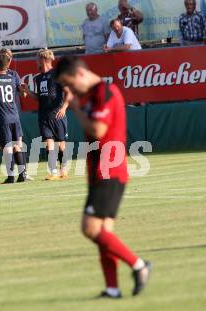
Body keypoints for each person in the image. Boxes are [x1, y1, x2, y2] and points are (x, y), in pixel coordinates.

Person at [54, 55, 151, 299]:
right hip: (101, 172)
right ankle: (112, 288)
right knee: (103, 233)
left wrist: (74, 106)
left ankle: (139, 265)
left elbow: (98, 130)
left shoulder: (104, 92)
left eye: (71, 84)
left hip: (110, 170)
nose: (72, 90)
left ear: (79, 75)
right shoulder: (92, 95)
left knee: (90, 228)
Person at [24, 49, 69, 180]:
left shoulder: (57, 74)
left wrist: (64, 108)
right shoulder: (38, 78)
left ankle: (64, 170)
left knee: (61, 144)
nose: (36, 62)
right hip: (43, 115)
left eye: (37, 59)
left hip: (57, 114)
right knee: (49, 143)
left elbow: (69, 92)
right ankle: (53, 172)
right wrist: (28, 91)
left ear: (43, 59)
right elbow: (40, 97)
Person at [0, 53, 27, 184]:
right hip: (14, 115)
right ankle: (23, 174)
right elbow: (22, 92)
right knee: (18, 144)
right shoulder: (12, 78)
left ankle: (11, 176)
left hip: (2, 117)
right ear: (8, 64)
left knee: (7, 146)